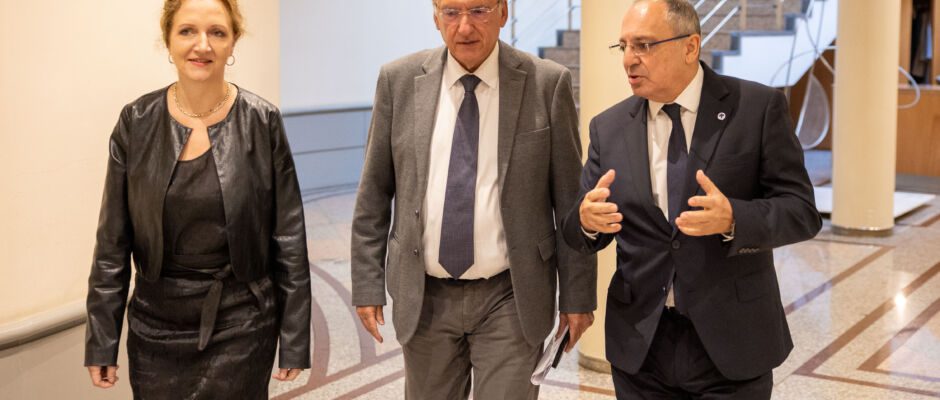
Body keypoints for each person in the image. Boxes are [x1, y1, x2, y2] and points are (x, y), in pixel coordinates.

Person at [561, 0, 822, 398]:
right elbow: (578, 228)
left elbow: (802, 211)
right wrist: (585, 221)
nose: (629, 59)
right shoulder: (608, 128)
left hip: (732, 340)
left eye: (644, 45)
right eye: (624, 46)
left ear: (690, 46)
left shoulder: (756, 108)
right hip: (641, 347)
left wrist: (734, 217)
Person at [350, 0, 597, 398]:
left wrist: (577, 296)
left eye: (479, 10)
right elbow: (373, 194)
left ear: (503, 12)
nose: (464, 27)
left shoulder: (547, 83)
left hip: (512, 294)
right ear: (435, 17)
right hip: (425, 295)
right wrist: (366, 284)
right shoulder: (398, 80)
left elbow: (571, 203)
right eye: (451, 12)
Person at [83, 0, 312, 397]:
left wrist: (294, 339)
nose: (202, 45)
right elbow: (112, 242)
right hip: (156, 325)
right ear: (168, 40)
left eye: (217, 32)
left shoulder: (263, 122)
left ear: (233, 42)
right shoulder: (136, 122)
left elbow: (289, 238)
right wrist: (102, 338)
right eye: (187, 31)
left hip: (241, 322)